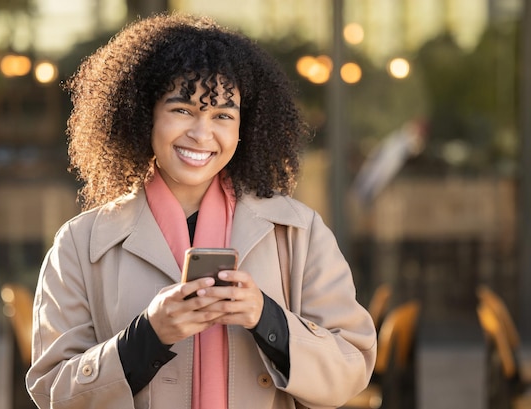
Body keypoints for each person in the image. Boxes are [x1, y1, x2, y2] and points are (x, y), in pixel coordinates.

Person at [26, 13, 377, 409]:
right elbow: (53, 391)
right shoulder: (80, 242)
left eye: (222, 115)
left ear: (246, 125)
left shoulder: (298, 231)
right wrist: (148, 335)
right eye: (182, 110)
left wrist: (267, 319)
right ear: (144, 114)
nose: (202, 133)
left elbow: (352, 366)